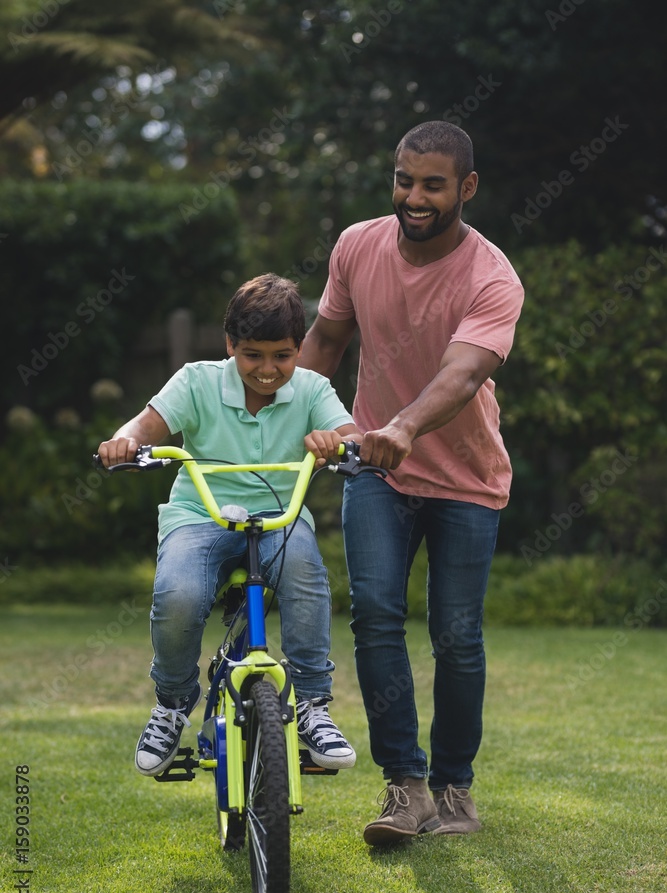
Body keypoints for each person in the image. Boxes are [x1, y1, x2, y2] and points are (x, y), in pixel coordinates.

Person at [300, 121, 524, 845]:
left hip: (463, 478)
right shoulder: (357, 245)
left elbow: (461, 374)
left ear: (466, 187)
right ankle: (406, 789)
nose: (414, 196)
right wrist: (284, 419)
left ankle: (455, 790)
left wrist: (403, 426)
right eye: (404, 179)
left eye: (432, 184)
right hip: (375, 469)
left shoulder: (491, 276)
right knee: (373, 613)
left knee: (456, 637)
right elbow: (328, 338)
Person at [97, 273, 361, 777]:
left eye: (282, 356)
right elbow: (143, 426)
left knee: (306, 574)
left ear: (299, 349)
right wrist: (123, 442)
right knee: (177, 593)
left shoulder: (311, 388)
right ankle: (172, 703)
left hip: (280, 516)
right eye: (252, 355)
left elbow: (353, 435)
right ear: (230, 346)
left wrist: (342, 443)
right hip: (201, 514)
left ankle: (310, 705)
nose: (267, 370)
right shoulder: (196, 380)